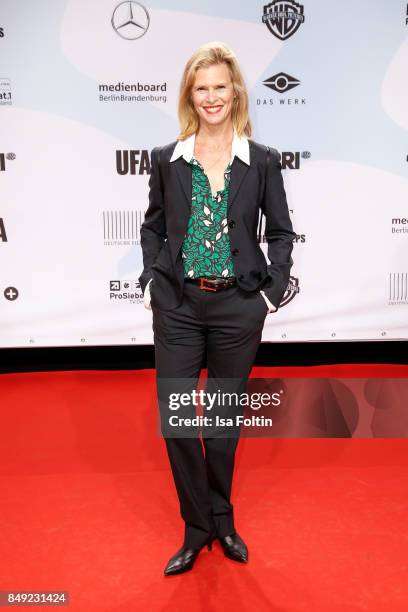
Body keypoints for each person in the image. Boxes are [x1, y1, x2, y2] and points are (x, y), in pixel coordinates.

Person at [139, 41, 295, 576]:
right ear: (190, 95)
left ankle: (222, 520)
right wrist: (150, 279)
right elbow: (154, 226)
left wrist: (272, 290)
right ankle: (198, 526)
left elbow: (279, 232)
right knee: (179, 422)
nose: (211, 97)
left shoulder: (264, 160)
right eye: (200, 88)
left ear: (235, 93)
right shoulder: (167, 158)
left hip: (238, 307)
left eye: (219, 87)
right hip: (179, 306)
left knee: (223, 422)